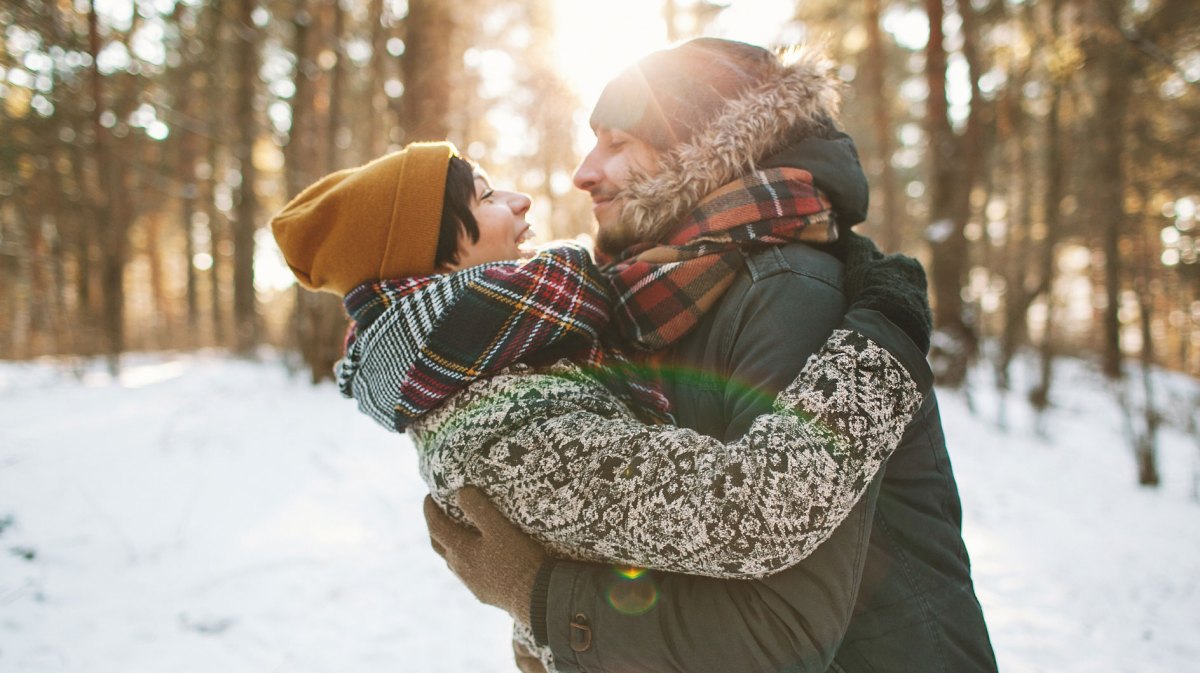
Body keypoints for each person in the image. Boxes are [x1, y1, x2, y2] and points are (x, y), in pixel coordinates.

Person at [427, 39, 999, 673]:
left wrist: (542, 601)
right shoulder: (648, 297)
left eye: (618, 144)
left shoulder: (788, 289)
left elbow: (782, 633)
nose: (583, 172)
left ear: (701, 154)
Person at [269, 140, 935, 671]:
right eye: (488, 195)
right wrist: (888, 331)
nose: (522, 199)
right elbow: (759, 506)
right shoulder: (504, 429)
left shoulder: (494, 374)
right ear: (437, 258)